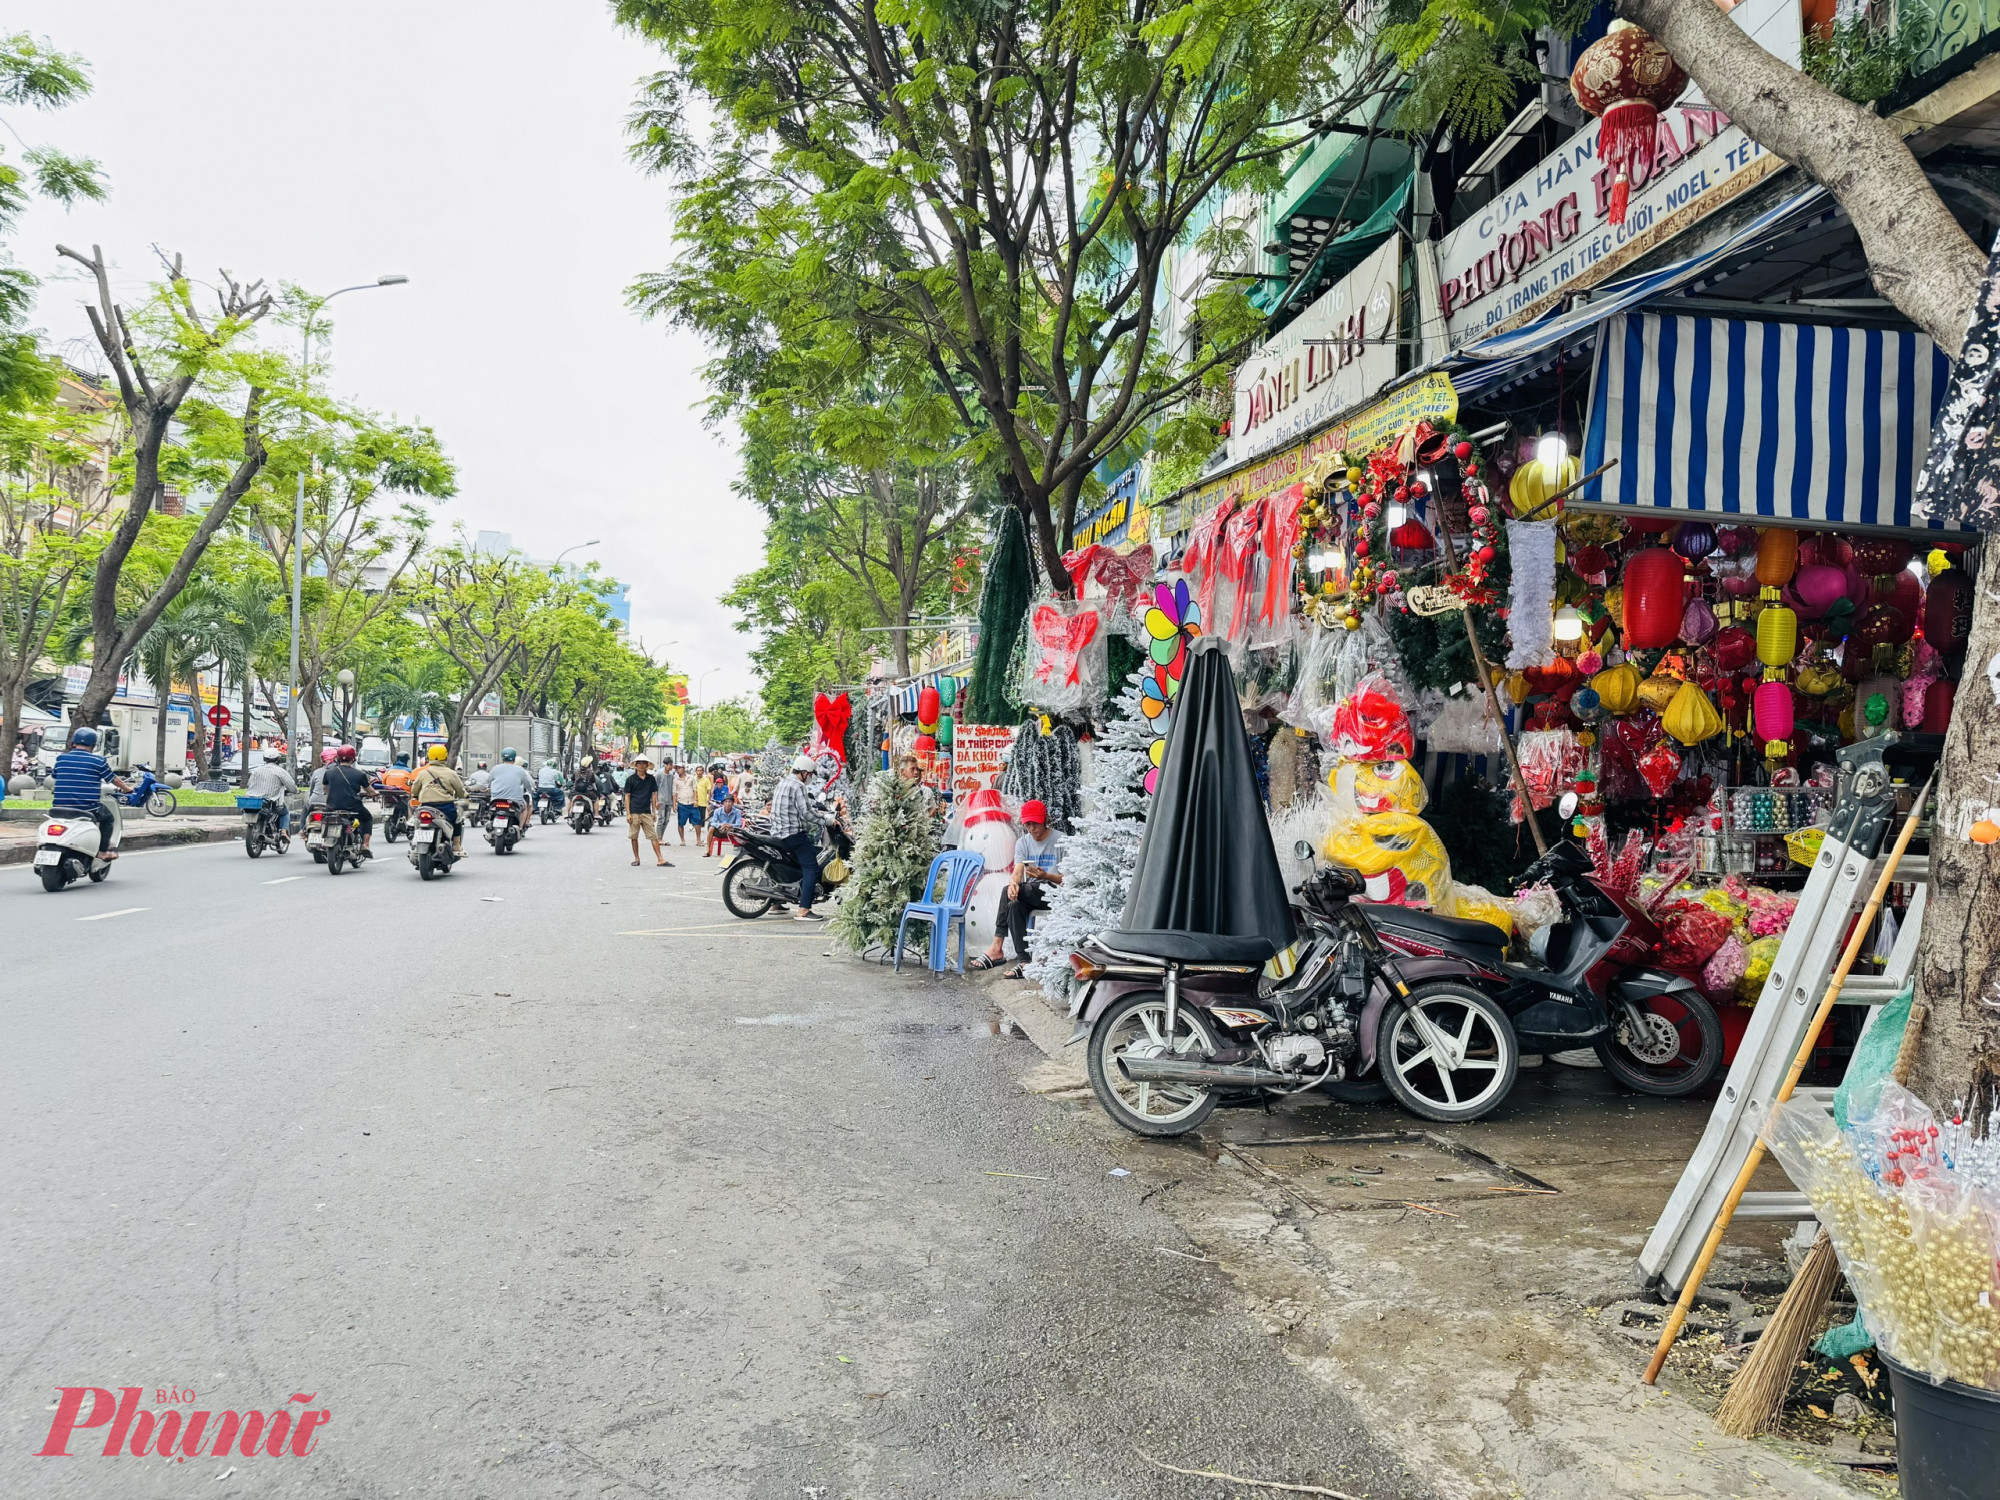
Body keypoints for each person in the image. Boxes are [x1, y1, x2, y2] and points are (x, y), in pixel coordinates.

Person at [974, 799, 1064, 977]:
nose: (1031, 829)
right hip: (1030, 892)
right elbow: (1017, 870)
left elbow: (1069, 879)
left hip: (1054, 891)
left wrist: (1046, 876)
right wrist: (1014, 884)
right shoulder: (1023, 842)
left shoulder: (1061, 840)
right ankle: (1024, 962)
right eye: (1027, 824)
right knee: (1013, 904)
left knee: (1013, 891)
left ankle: (997, 946)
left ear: (1044, 820)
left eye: (1035, 824)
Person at [49, 727, 130, 857]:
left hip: (59, 807)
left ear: (73, 743)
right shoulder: (98, 761)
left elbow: (55, 776)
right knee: (108, 819)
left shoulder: (61, 759)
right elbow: (113, 779)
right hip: (87, 808)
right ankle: (103, 852)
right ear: (93, 745)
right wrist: (127, 789)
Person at [768, 753, 825, 921]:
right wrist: (827, 821)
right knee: (811, 868)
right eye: (811, 774)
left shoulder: (783, 782)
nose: (810, 778)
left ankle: (776, 903)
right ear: (805, 772)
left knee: (788, 865)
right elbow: (807, 813)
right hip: (793, 835)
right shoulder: (798, 786)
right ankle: (804, 910)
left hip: (777, 833)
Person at [409, 743, 468, 854]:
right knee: (457, 820)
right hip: (446, 807)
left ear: (429, 756)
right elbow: (460, 790)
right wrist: (463, 796)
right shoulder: (451, 773)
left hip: (426, 807)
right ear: (445, 757)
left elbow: (414, 790)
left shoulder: (423, 773)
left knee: (416, 821)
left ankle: (414, 842)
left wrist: (416, 795)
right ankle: (456, 845)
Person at [321, 744, 376, 859]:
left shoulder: (329, 772)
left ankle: (323, 839)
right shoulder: (360, 774)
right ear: (353, 758)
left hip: (332, 806)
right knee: (367, 819)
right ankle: (365, 844)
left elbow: (325, 789)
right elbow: (370, 791)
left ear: (338, 758)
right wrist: (374, 794)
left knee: (324, 818)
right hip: (353, 807)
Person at [623, 755, 670, 867]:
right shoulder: (631, 779)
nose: (641, 765)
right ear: (636, 765)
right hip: (634, 811)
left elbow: (654, 795)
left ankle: (660, 858)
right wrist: (628, 813)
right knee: (634, 836)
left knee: (653, 836)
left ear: (647, 765)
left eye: (644, 763)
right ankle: (636, 858)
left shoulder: (651, 779)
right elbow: (627, 796)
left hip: (646, 811)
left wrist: (654, 811)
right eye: (639, 763)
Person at [245, 749, 295, 832]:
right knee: (285, 813)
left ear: (264, 759)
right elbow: (292, 788)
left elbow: (249, 784)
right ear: (277, 759)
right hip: (270, 801)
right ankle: (283, 831)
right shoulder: (280, 771)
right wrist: (296, 791)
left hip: (253, 800)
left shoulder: (256, 771)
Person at [487, 748, 535, 834]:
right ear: (514, 758)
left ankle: (490, 822)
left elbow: (488, 781)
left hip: (496, 799)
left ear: (502, 758)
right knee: (524, 808)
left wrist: (488, 787)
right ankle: (520, 829)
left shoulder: (495, 768)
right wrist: (530, 790)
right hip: (515, 800)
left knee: (491, 809)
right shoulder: (520, 770)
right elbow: (527, 784)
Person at [704, 767, 740, 857]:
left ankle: (737, 851)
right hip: (720, 829)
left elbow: (739, 824)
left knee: (739, 831)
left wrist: (730, 825)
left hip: (731, 830)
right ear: (723, 803)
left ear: (732, 803)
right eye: (726, 802)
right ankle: (708, 850)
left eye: (730, 802)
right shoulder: (717, 811)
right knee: (711, 828)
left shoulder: (737, 812)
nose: (728, 804)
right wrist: (721, 825)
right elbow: (713, 822)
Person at [307, 746, 339, 810]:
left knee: (305, 809)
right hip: (334, 804)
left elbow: (311, 790)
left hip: (314, 802)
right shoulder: (341, 772)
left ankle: (303, 820)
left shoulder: (316, 772)